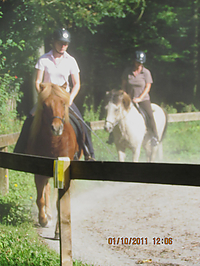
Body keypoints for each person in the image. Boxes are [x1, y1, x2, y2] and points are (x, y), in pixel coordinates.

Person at [15, 28, 95, 160]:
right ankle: (19, 152)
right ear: (54, 42)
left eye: (66, 43)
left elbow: (77, 84)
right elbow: (37, 81)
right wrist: (42, 96)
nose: (63, 46)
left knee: (80, 121)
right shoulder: (44, 59)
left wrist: (70, 99)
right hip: (47, 99)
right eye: (61, 43)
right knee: (29, 118)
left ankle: (89, 153)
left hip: (64, 99)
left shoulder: (71, 60)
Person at [121, 50, 159, 146]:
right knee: (117, 112)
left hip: (143, 99)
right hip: (129, 99)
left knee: (150, 115)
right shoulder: (127, 72)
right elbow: (123, 85)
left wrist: (140, 98)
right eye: (137, 62)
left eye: (141, 63)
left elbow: (148, 87)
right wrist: (125, 96)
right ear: (134, 61)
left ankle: (155, 136)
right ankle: (113, 136)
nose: (139, 64)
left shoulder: (146, 73)